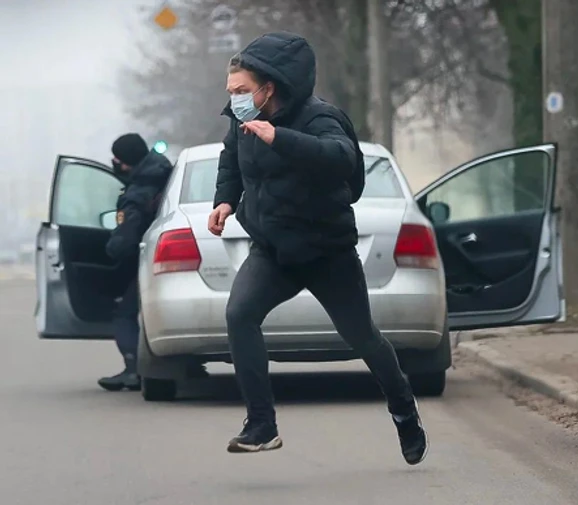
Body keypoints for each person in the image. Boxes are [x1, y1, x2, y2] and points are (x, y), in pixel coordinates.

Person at [208, 32, 427, 463]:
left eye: (241, 91)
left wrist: (279, 139)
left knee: (362, 337)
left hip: (327, 253)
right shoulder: (241, 122)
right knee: (239, 314)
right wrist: (225, 201)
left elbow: (341, 158)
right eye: (231, 91)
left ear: (268, 87)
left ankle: (403, 408)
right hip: (273, 251)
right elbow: (230, 161)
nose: (235, 100)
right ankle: (261, 425)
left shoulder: (318, 117)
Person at [99, 133, 174, 391]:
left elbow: (126, 237)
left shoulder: (138, 191)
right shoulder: (165, 172)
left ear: (127, 161)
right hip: (170, 259)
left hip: (148, 260)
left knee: (125, 314)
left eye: (117, 160)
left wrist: (111, 248)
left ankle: (133, 369)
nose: (116, 164)